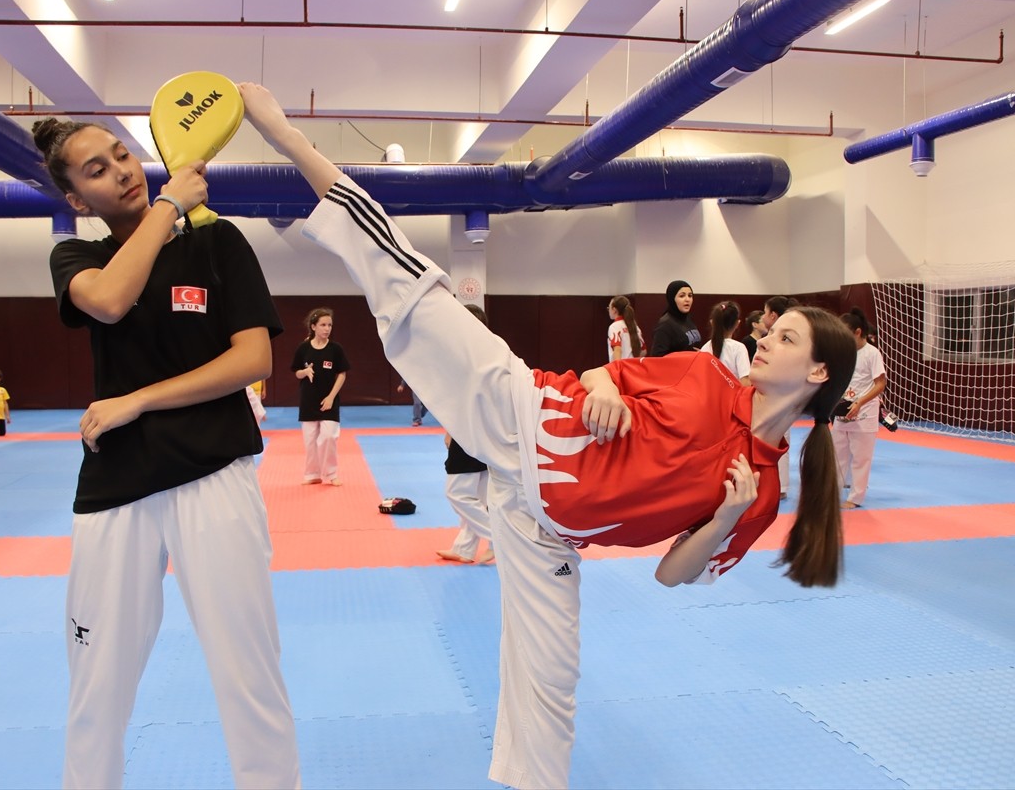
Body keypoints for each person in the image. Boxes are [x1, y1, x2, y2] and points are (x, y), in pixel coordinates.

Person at [238, 81, 858, 790]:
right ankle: (288, 137)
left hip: (549, 533)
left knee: (551, 683)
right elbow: (603, 374)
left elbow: (671, 573)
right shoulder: (708, 376)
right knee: (409, 278)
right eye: (769, 331)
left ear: (816, 370)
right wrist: (598, 390)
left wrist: (723, 513)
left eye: (783, 338)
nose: (764, 341)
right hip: (521, 412)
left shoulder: (764, 493)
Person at [32, 117, 299, 789]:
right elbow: (112, 302)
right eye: (95, 170)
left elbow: (253, 357)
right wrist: (166, 206)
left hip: (214, 475)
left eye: (121, 154)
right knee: (96, 683)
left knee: (249, 672)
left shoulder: (218, 242)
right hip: (114, 489)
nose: (120, 169)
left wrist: (138, 400)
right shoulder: (77, 260)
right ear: (75, 200)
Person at [437, 304, 495, 565]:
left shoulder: (471, 357)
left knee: (458, 492)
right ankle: (465, 548)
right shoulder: (488, 352)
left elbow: (460, 399)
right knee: (479, 495)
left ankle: (499, 540)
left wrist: (451, 429)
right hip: (486, 431)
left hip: (471, 430)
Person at [832, 307, 888, 510]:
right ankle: (832, 494)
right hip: (843, 410)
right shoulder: (843, 353)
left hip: (864, 412)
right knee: (837, 456)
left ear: (857, 332)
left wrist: (860, 402)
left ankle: (855, 497)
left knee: (861, 458)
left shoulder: (872, 353)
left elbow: (880, 384)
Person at [292, 307, 349, 485]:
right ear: (313, 326)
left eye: (330, 325)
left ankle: (331, 474)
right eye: (323, 325)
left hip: (329, 400)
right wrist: (305, 371)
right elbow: (296, 372)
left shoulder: (335, 349)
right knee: (310, 441)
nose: (327, 328)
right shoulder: (303, 348)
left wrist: (331, 396)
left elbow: (342, 374)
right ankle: (312, 474)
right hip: (308, 399)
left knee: (329, 436)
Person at [762, 296, 799, 498]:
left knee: (780, 438)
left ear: (773, 315)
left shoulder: (787, 340)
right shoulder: (772, 337)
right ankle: (775, 484)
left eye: (765, 312)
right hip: (776, 393)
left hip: (782, 393)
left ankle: (782, 487)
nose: (763, 316)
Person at [700, 300, 751, 385]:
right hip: (733, 397)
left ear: (712, 323)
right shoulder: (739, 348)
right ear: (737, 324)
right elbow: (745, 383)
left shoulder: (705, 348)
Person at [648, 280, 699, 356]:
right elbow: (657, 357)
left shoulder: (688, 318)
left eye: (690, 295)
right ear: (672, 299)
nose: (687, 299)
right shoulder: (665, 325)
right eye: (682, 296)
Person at [606, 295, 645, 361]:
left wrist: (618, 369)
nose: (608, 310)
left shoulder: (615, 327)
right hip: (633, 368)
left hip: (621, 368)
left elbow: (617, 350)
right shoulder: (636, 327)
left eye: (608, 308)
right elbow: (643, 351)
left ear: (614, 310)